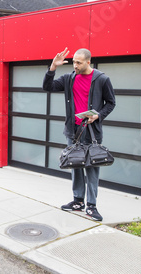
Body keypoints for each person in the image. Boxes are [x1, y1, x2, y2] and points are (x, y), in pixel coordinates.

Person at [43, 47, 116, 221]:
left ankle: (91, 205)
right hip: (73, 131)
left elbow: (111, 103)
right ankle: (78, 201)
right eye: (74, 62)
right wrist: (53, 67)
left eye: (78, 62)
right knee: (75, 165)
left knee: (92, 167)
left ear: (88, 62)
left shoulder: (102, 79)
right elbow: (48, 87)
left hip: (91, 131)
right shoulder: (69, 78)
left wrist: (97, 115)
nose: (75, 65)